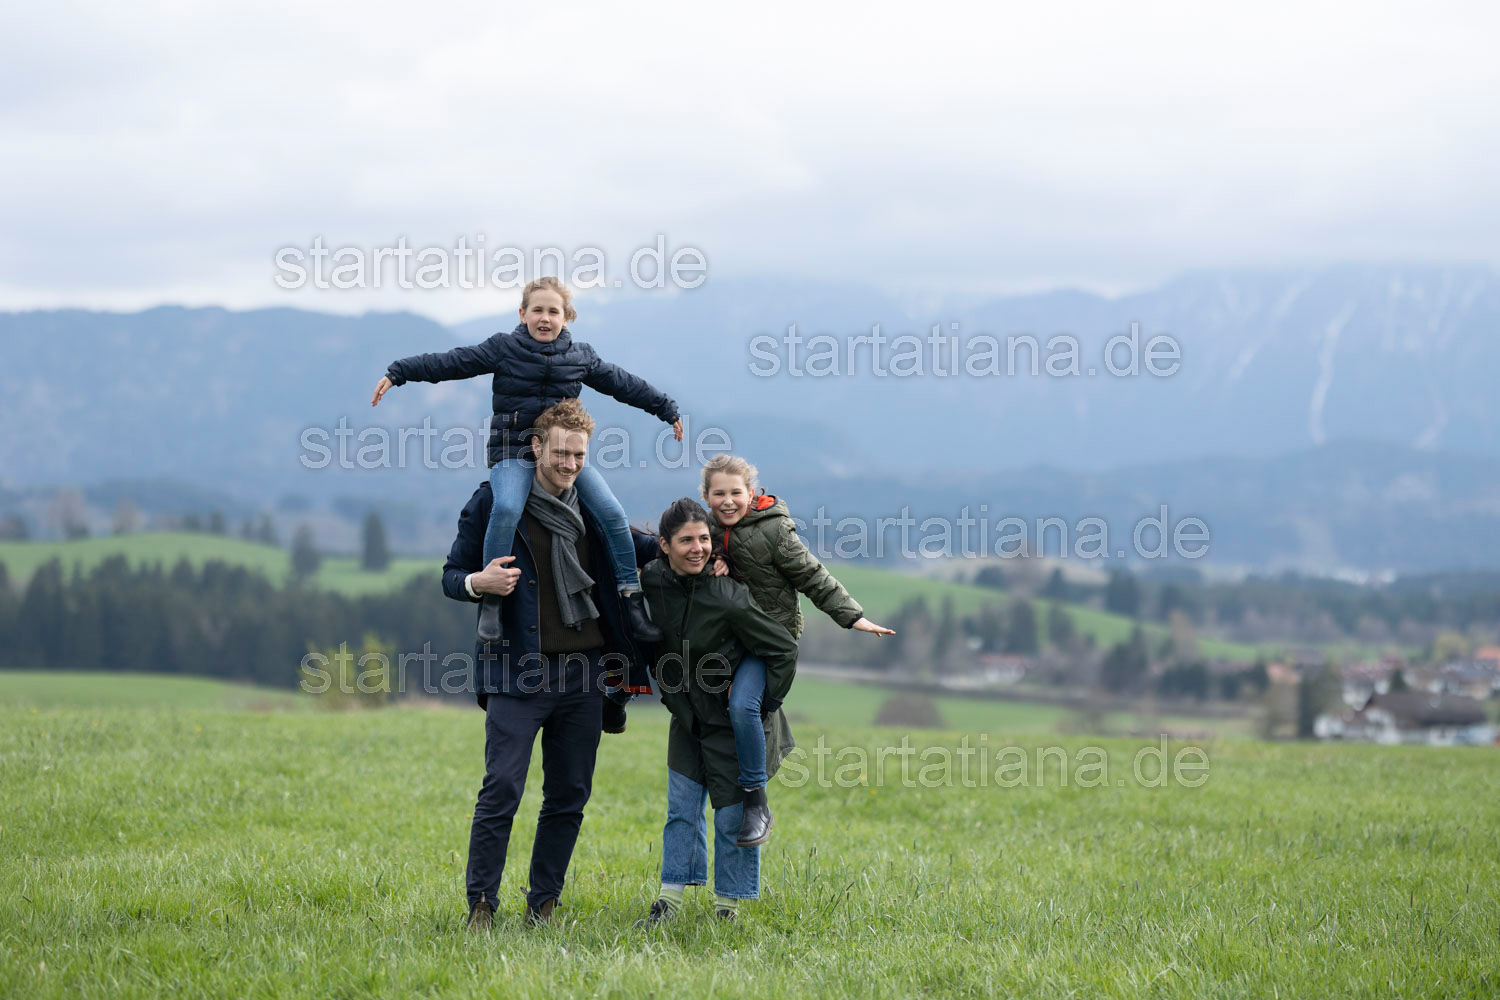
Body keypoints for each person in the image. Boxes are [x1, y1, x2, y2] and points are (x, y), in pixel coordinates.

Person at [441, 398, 654, 932]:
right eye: (561, 453)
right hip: (517, 671)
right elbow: (451, 574)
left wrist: (714, 546)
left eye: (579, 455)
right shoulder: (493, 502)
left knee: (568, 796)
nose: (570, 464)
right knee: (502, 788)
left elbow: (646, 547)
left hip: (584, 675)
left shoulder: (595, 510)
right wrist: (478, 583)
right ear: (536, 447)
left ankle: (543, 906)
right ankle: (482, 906)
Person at [375, 275, 679, 645]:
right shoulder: (503, 349)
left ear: (566, 317)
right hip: (513, 452)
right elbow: (452, 362)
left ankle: (631, 600)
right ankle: (493, 602)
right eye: (537, 310)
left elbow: (624, 384)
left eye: (553, 311)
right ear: (523, 314)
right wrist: (400, 372)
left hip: (561, 455)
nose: (545, 318)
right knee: (505, 507)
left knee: (612, 512)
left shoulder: (580, 357)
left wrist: (665, 409)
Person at [700, 453, 894, 846]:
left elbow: (811, 574)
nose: (728, 501)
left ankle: (756, 802)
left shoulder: (774, 531)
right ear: (706, 497)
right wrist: (713, 560)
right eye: (719, 494)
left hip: (769, 641)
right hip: (726, 639)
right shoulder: (706, 529)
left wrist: (853, 616)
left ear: (751, 493)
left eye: (736, 492)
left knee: (743, 705)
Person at [635, 498, 800, 926]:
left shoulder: (729, 596)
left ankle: (727, 909)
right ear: (665, 545)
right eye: (686, 540)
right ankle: (668, 904)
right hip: (686, 718)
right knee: (681, 810)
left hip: (730, 724)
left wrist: (761, 706)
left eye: (704, 539)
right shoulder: (653, 580)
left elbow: (783, 650)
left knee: (731, 816)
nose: (698, 549)